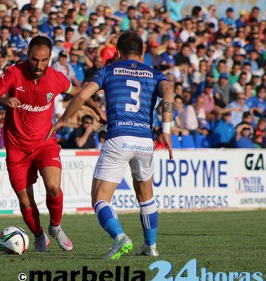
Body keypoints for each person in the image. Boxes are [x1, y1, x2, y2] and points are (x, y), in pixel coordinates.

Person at [48, 30, 174, 260]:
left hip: (118, 138)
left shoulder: (108, 71)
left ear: (118, 52)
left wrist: (64, 119)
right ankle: (151, 246)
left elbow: (81, 96)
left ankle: (119, 237)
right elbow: (169, 91)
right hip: (145, 141)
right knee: (146, 196)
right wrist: (166, 130)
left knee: (100, 199)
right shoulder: (155, 74)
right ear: (143, 52)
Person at [0, 36, 105, 252]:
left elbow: (80, 94)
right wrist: (3, 100)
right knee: (26, 202)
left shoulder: (56, 78)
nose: (38, 66)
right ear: (27, 55)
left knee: (54, 188)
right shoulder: (14, 73)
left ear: (50, 59)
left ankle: (55, 227)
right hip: (17, 149)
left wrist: (96, 109)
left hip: (45, 143)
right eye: (34, 60)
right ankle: (39, 235)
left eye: (43, 61)